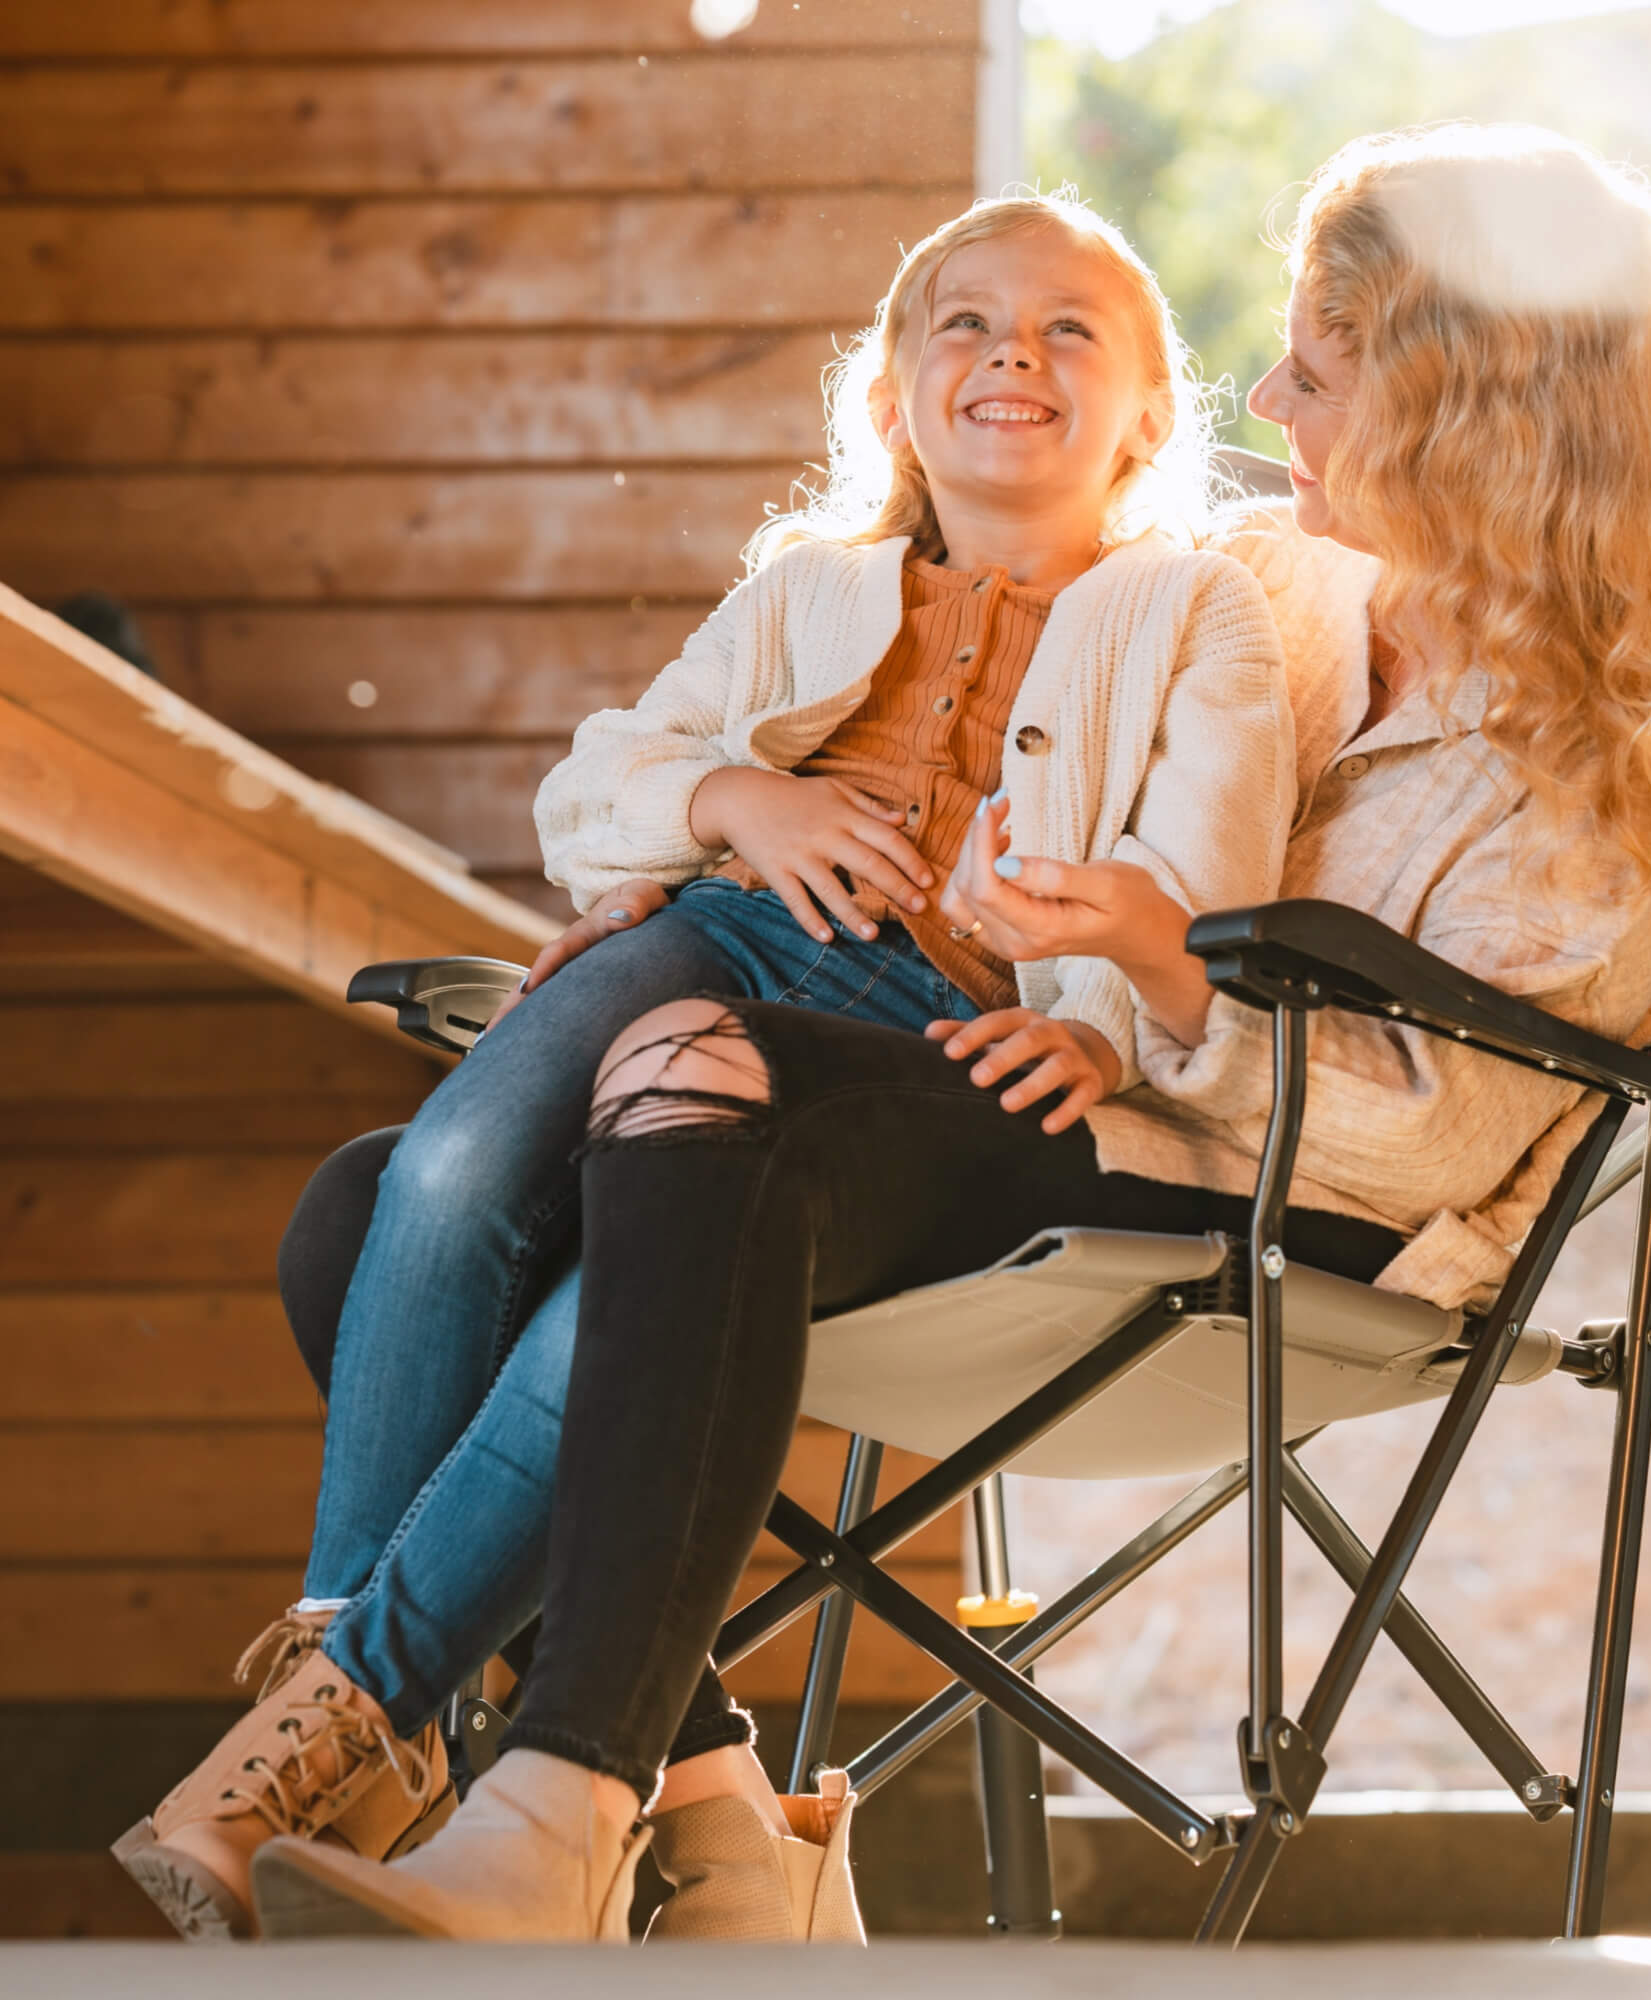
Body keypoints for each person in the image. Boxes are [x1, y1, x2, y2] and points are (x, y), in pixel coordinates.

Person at [272, 121, 1651, 1944]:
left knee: (709, 1095)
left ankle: (539, 1797)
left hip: (1276, 1218)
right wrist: (687, 878)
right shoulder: (1263, 583)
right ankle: (712, 1829)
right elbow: (970, 741)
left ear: (1459, 417)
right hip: (1026, 1093)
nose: (1266, 402)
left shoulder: (1626, 784)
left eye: (1315, 377)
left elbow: (1437, 1136)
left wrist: (1168, 979)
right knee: (386, 1201)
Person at [111, 190, 1296, 1945]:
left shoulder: (1200, 611)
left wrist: (1097, 1019)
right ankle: (364, 1710)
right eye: (966, 323)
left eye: (1071, 329)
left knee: (599, 1281)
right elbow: (597, 789)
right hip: (712, 941)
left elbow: (1204, 893)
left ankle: (329, 1741)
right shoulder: (805, 590)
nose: (1014, 355)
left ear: (1142, 416)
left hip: (915, 1035)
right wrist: (742, 801)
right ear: (893, 397)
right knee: (426, 1181)